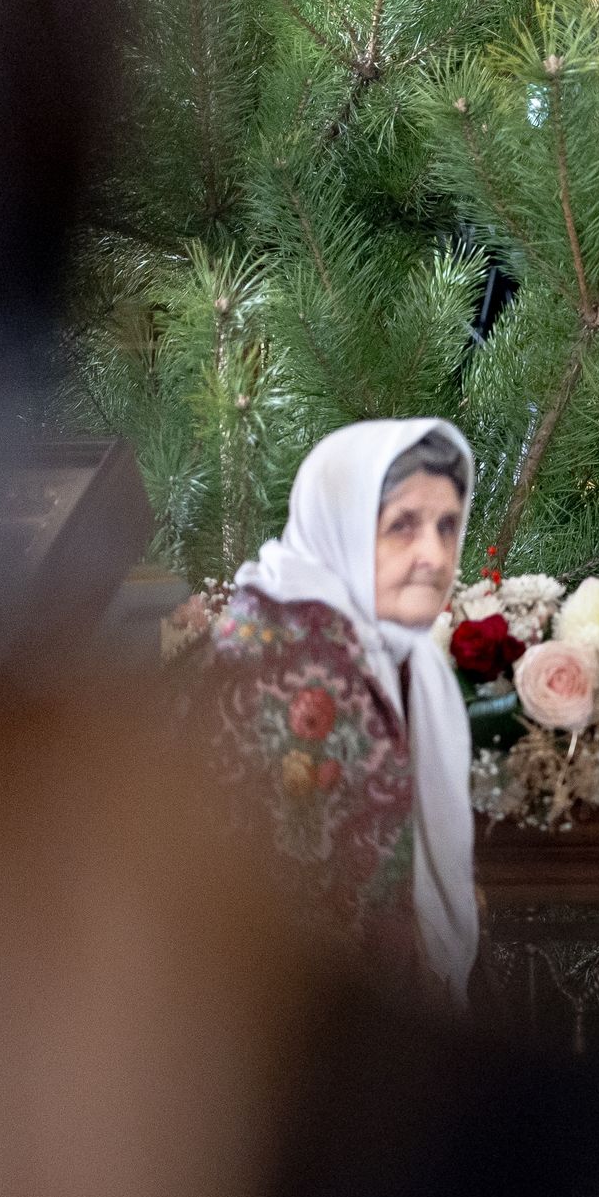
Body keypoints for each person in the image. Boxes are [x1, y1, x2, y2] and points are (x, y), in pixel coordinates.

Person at [189, 419, 481, 1001]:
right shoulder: (293, 663)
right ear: (340, 525)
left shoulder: (394, 651)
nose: (434, 554)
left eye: (447, 526)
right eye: (402, 526)